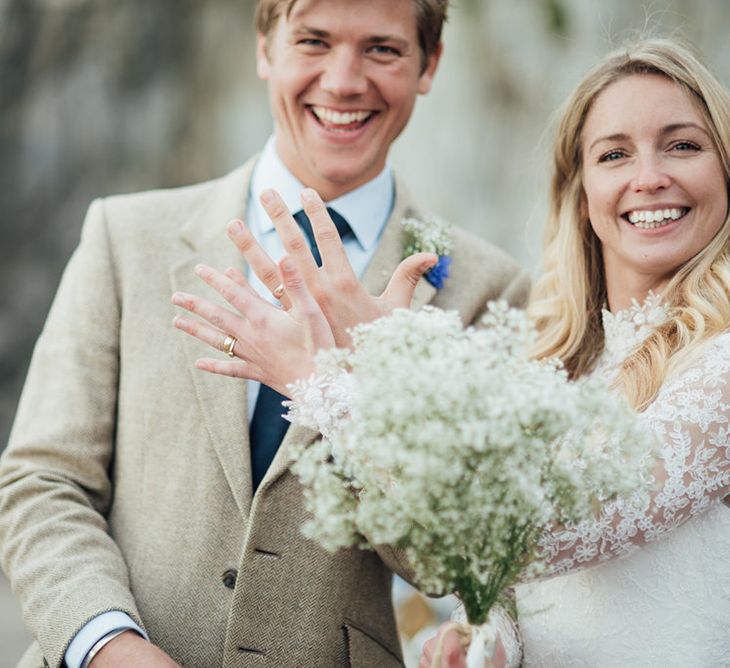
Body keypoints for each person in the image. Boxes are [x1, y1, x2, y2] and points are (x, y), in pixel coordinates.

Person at [0, 1, 530, 666]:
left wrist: (360, 391)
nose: (343, 80)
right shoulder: (125, 237)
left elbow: (458, 562)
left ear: (431, 65)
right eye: (313, 41)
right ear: (264, 48)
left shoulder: (485, 291)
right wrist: (105, 642)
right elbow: (45, 480)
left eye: (382, 50)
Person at [174, 38, 730, 667]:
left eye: (683, 145)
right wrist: (486, 637)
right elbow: (516, 579)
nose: (649, 176)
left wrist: (330, 378)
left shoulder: (724, 364)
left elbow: (548, 529)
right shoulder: (552, 362)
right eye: (614, 154)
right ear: (580, 192)